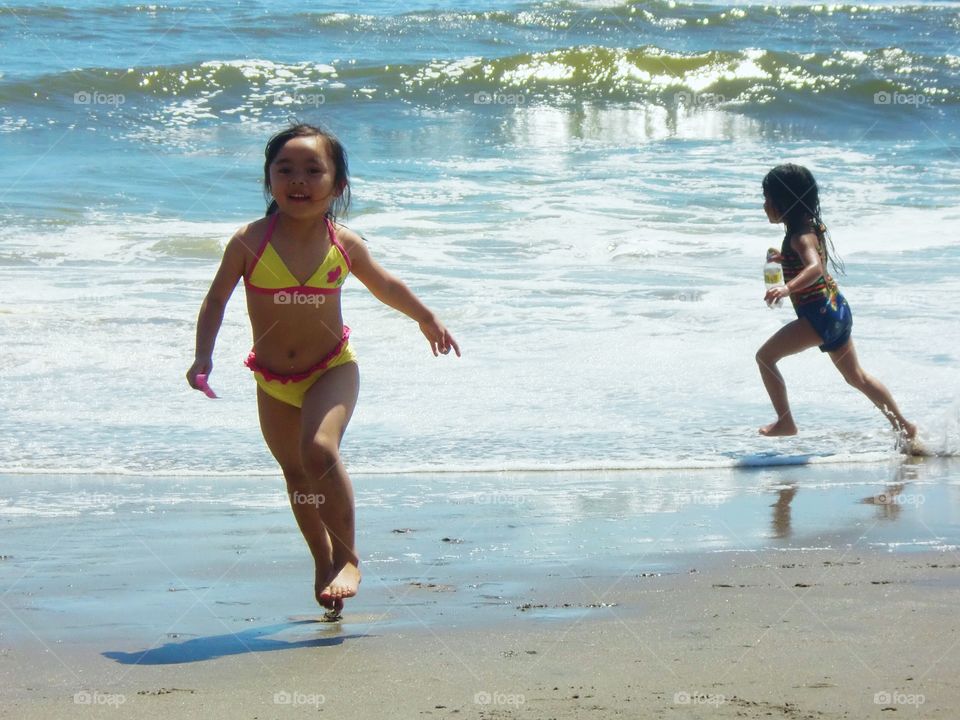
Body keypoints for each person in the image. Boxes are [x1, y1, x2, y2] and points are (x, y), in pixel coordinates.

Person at [186, 123, 460, 614]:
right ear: (268, 180)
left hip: (332, 369)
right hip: (272, 381)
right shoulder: (249, 241)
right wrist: (203, 354)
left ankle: (349, 558)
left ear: (337, 185)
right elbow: (215, 300)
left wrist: (426, 317)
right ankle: (323, 559)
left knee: (319, 450)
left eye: (314, 170)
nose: (298, 180)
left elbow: (386, 285)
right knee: (295, 474)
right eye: (284, 169)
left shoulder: (343, 243)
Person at [756, 163, 916, 446]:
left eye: (768, 198)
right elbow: (809, 262)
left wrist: (786, 288)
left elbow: (815, 267)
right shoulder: (808, 227)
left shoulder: (799, 236)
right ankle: (904, 426)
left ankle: (785, 421)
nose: (765, 205)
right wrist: (785, 263)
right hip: (836, 311)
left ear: (784, 201)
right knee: (857, 377)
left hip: (817, 316)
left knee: (765, 358)